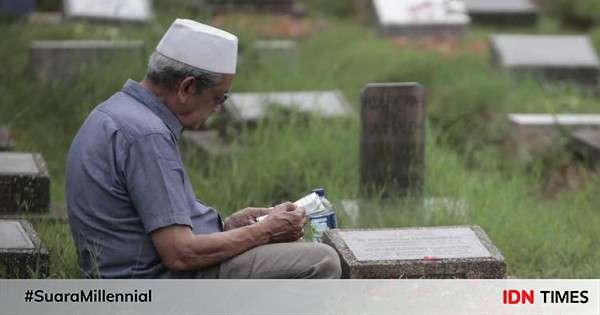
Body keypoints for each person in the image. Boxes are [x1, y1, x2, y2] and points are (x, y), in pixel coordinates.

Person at [65, 18, 341, 279]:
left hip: (139, 271)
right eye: (217, 98)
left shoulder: (117, 111)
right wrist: (265, 232)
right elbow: (180, 254)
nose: (218, 109)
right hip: (157, 284)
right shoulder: (147, 136)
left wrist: (229, 225)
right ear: (187, 87)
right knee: (322, 260)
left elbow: (151, 223)